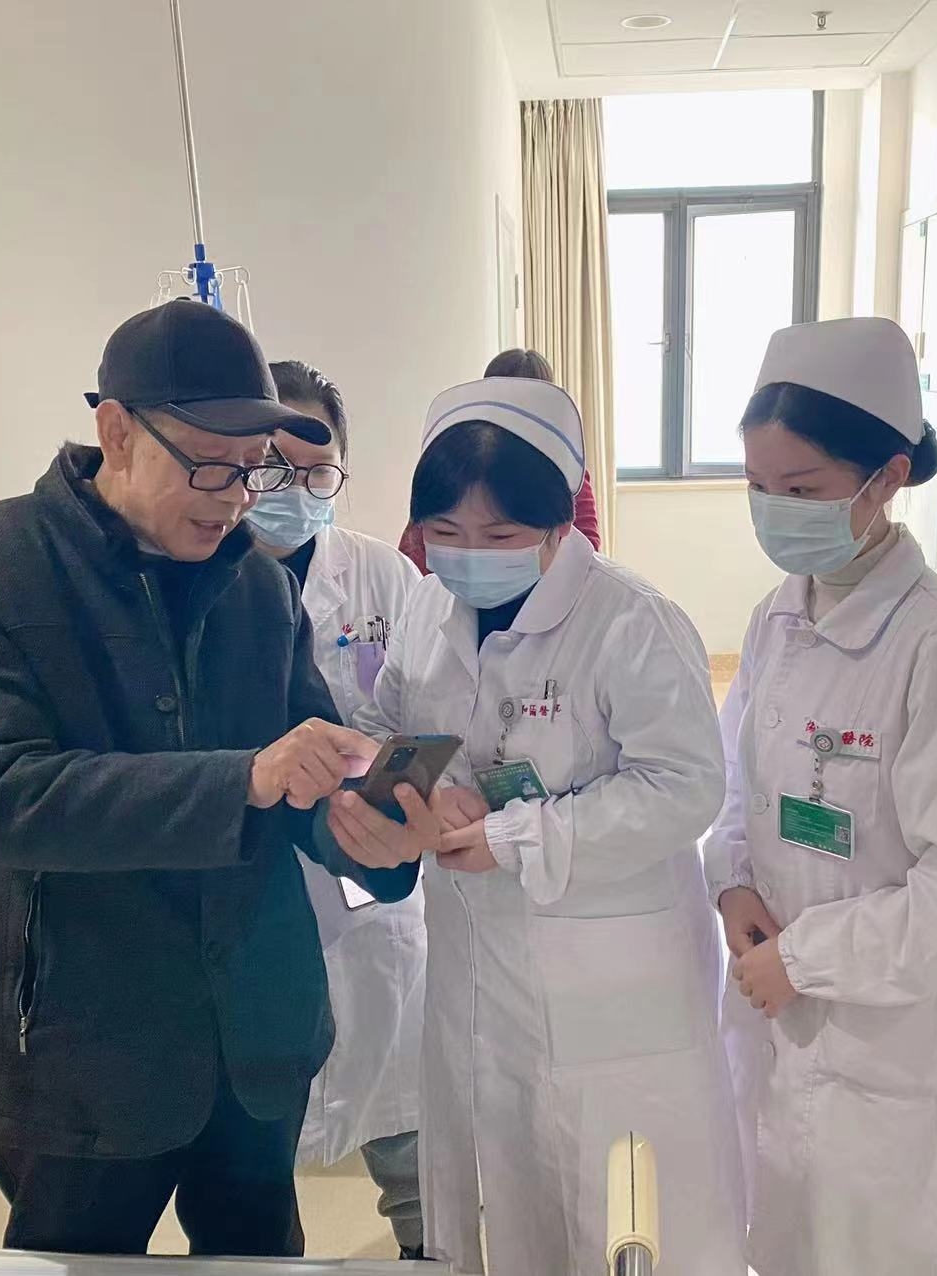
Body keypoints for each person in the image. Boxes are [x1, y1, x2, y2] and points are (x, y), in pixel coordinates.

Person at [0, 300, 440, 1259]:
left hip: (257, 1037)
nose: (235, 498)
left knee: (257, 1256)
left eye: (251, 467)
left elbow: (302, 777)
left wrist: (372, 831)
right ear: (116, 430)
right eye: (208, 464)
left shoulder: (257, 587)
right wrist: (245, 779)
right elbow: (0, 793)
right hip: (82, 1050)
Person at [360, 374, 746, 1276]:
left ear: (558, 523)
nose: (469, 556)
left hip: (612, 979)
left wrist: (520, 838)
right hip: (475, 958)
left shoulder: (632, 622)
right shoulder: (425, 606)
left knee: (625, 1205)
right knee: (513, 1183)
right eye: (445, 532)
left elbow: (686, 785)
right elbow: (389, 723)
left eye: (499, 536)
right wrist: (414, 794)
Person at [704, 318, 937, 1276]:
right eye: (756, 485)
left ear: (886, 478)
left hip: (886, 1051)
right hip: (774, 1009)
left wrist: (805, 958)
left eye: (801, 490)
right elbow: (736, 782)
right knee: (780, 1238)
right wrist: (731, 881)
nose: (773, 511)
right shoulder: (777, 616)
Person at [254, 358, 427, 1260]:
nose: (294, 491)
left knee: (404, 1096)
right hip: (258, 875)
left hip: (369, 868)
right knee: (256, 1140)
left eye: (316, 472)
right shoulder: (205, 574)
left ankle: (427, 1248)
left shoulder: (382, 576)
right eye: (273, 468)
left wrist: (387, 802)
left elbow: (429, 711)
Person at [396, 348, 600, 572]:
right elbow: (414, 554)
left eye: (500, 535)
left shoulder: (563, 473)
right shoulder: (454, 465)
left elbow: (585, 550)